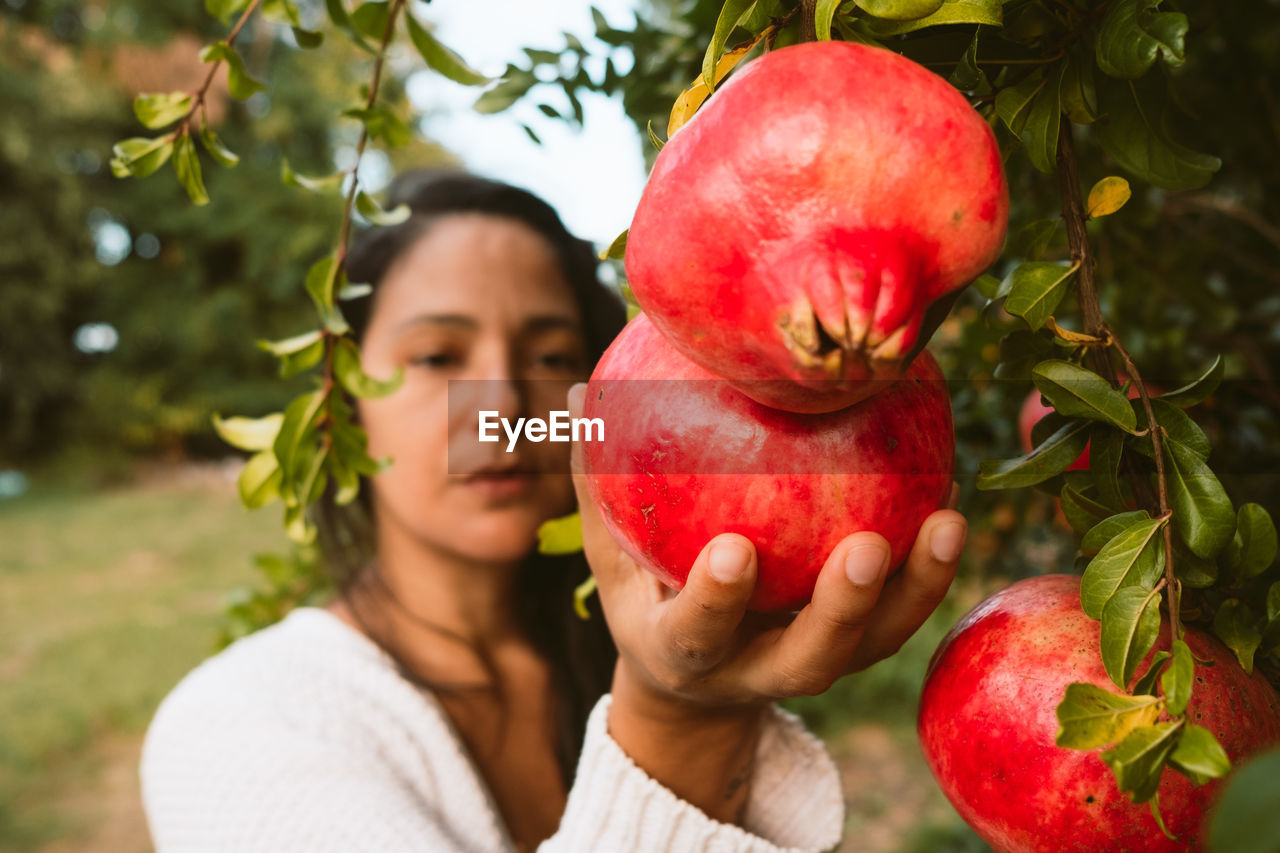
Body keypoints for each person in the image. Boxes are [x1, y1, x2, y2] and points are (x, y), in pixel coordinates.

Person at [140, 169, 968, 852]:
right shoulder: (238, 727)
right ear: (343, 406)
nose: (497, 403)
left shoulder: (586, 646)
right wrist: (678, 717)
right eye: (437, 356)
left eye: (550, 355)